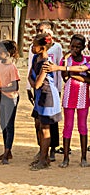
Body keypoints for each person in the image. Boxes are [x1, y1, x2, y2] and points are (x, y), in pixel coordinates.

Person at [46, 34, 90, 168]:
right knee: (68, 127)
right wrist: (65, 63)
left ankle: (83, 158)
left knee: (82, 126)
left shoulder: (87, 60)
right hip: (69, 96)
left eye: (78, 47)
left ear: (83, 47)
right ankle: (65, 158)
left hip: (83, 96)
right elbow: (65, 78)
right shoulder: (67, 60)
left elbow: (88, 78)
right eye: (73, 46)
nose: (75, 49)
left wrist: (73, 75)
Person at [26, 21, 62, 162]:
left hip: (47, 96)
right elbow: (30, 75)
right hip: (41, 95)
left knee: (46, 127)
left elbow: (38, 83)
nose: (32, 48)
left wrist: (34, 83)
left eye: (34, 46)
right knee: (39, 125)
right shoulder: (36, 57)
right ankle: (43, 155)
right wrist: (33, 83)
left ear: (42, 48)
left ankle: (44, 159)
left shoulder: (46, 62)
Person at [0, 40, 20, 164]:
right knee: (3, 124)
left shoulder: (12, 68)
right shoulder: (0, 64)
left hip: (10, 97)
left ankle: (7, 151)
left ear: (8, 53)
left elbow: (15, 86)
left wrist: (0, 89)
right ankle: (6, 151)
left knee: (9, 125)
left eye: (0, 52)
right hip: (2, 95)